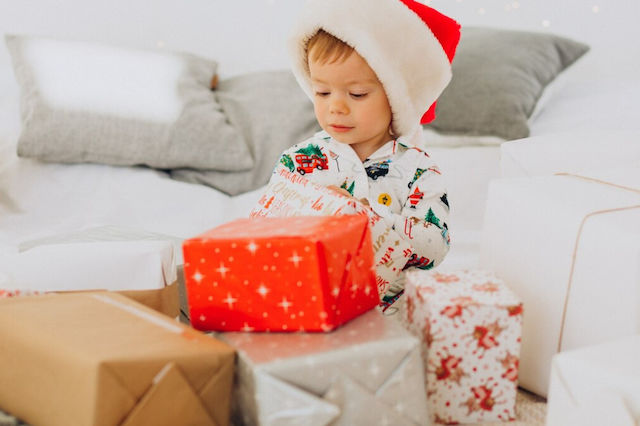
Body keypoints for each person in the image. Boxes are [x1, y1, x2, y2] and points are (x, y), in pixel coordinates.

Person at [270, 0, 460, 306]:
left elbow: (435, 247)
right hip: (306, 307)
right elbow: (267, 230)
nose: (336, 106)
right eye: (322, 92)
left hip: (389, 317)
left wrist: (368, 219)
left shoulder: (417, 169)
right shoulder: (300, 160)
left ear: (397, 96)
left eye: (357, 94)